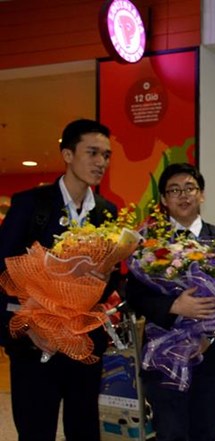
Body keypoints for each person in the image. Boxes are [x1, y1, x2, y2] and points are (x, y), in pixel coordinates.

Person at [0, 119, 115, 441]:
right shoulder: (30, 204)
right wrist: (27, 327)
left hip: (83, 344)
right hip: (35, 345)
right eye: (92, 152)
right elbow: (3, 271)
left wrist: (105, 277)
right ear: (67, 154)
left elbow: (112, 281)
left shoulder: (107, 212)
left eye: (106, 155)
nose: (101, 162)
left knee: (85, 430)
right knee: (36, 430)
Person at [126, 163, 215, 441]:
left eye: (189, 188)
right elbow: (135, 294)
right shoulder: (149, 241)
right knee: (170, 432)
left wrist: (209, 335)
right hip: (164, 355)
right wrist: (173, 307)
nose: (183, 195)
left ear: (201, 194)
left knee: (206, 431)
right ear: (164, 200)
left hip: (211, 358)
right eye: (174, 190)